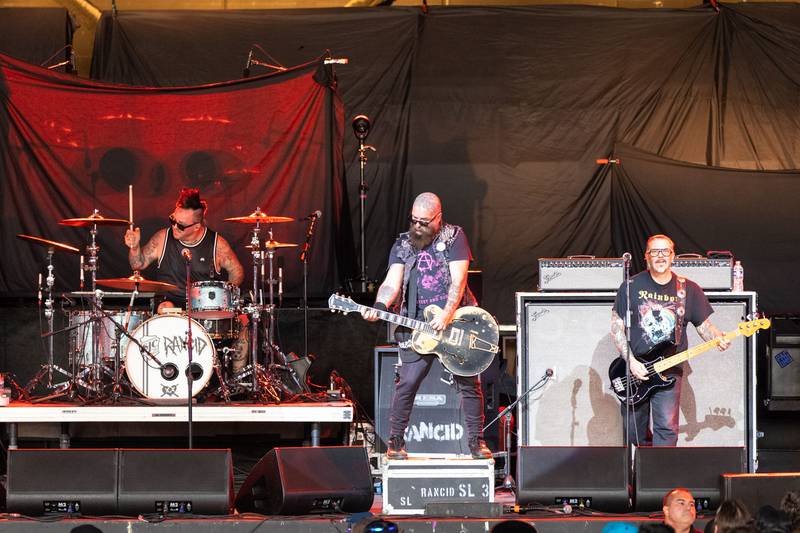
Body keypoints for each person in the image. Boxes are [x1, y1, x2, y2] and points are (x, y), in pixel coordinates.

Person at [361, 192, 491, 460]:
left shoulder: (454, 237)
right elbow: (391, 283)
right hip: (416, 323)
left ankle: (476, 443)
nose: (418, 226)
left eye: (424, 221)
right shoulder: (403, 244)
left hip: (455, 322)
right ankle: (396, 442)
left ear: (438, 218)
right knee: (407, 382)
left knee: (468, 383)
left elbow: (459, 281)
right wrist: (380, 306)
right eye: (414, 220)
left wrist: (446, 314)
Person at [611, 234, 730, 446]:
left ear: (673, 255)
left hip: (670, 370)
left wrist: (717, 337)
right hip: (636, 369)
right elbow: (617, 327)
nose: (660, 256)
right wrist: (631, 361)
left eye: (665, 251)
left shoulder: (688, 289)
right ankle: (635, 477)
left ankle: (660, 477)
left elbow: (704, 326)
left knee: (666, 428)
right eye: (654, 252)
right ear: (646, 257)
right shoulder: (630, 286)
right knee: (632, 433)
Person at [124, 188, 248, 371]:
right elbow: (138, 264)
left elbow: (237, 271)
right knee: (164, 308)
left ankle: (237, 384)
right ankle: (169, 372)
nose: (174, 226)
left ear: (197, 226)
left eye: (180, 225)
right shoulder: (162, 238)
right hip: (171, 303)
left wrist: (225, 296)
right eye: (172, 220)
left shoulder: (216, 244)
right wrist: (134, 247)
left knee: (243, 321)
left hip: (203, 307)